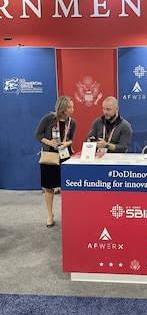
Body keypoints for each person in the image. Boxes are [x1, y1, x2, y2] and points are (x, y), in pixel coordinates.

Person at [34, 96, 76, 228]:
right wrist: (49, 142)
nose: (72, 109)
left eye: (72, 107)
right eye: (70, 107)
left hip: (65, 157)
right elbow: (38, 134)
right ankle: (50, 214)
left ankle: (68, 214)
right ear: (62, 108)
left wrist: (67, 143)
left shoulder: (72, 122)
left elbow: (71, 139)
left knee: (66, 187)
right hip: (49, 157)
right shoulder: (48, 119)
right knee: (49, 186)